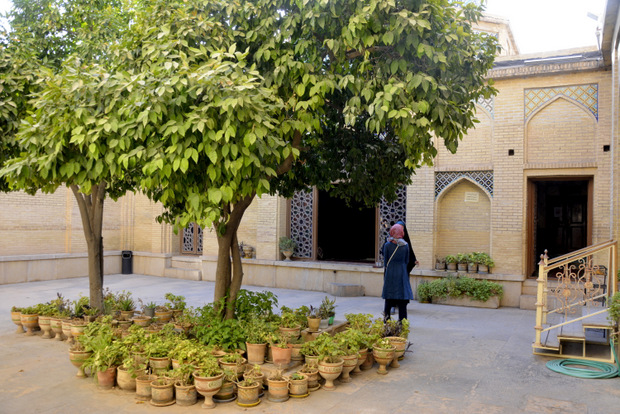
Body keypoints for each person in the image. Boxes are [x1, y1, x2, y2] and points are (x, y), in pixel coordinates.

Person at [382, 222, 417, 321]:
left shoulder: (387, 245)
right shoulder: (405, 245)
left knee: (389, 296)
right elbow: (407, 260)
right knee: (402, 296)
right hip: (402, 272)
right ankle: (402, 321)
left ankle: (386, 320)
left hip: (390, 272)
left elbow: (385, 262)